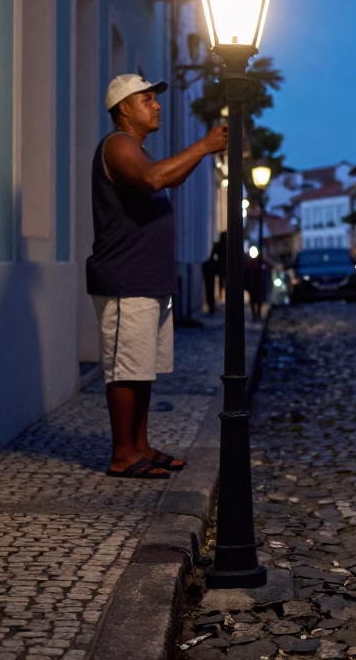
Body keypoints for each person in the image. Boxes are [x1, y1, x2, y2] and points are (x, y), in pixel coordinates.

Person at [86, 73, 228, 479]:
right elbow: (154, 179)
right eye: (147, 99)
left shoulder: (139, 150)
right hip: (123, 278)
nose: (157, 105)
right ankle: (122, 454)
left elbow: (168, 176)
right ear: (124, 109)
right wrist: (203, 145)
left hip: (147, 279)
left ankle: (140, 446)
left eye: (155, 99)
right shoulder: (117, 146)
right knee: (125, 368)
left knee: (141, 366)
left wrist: (199, 154)